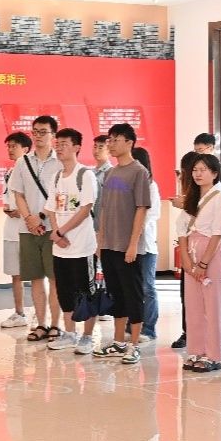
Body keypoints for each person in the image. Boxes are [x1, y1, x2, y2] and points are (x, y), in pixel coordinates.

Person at [93, 123, 152, 365]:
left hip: (128, 247)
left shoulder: (139, 172)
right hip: (109, 244)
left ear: (129, 143)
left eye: (116, 140)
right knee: (116, 294)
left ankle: (134, 345)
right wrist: (101, 241)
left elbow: (141, 209)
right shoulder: (110, 173)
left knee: (133, 295)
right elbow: (105, 209)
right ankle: (118, 342)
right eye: (110, 140)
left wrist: (133, 244)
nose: (111, 144)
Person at [8, 115, 62, 342]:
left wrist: (40, 218)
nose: (38, 136)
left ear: (53, 135)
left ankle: (56, 325)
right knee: (35, 278)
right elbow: (18, 194)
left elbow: (60, 196)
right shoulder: (23, 162)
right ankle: (41, 324)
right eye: (35, 132)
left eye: (43, 132)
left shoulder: (60, 161)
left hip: (52, 228)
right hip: (27, 229)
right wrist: (29, 218)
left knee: (55, 279)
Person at [45, 128, 99, 355]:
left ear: (77, 147)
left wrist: (61, 232)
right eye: (57, 144)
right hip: (60, 248)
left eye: (64, 144)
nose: (59, 148)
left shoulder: (85, 175)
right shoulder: (56, 177)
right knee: (64, 292)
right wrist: (57, 233)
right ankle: (69, 333)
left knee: (86, 292)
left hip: (82, 247)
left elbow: (85, 210)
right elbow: (51, 209)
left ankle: (87, 336)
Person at [179, 153, 221, 372]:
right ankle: (196, 350)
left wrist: (203, 264)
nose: (197, 174)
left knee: (212, 305)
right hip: (191, 253)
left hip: (211, 255)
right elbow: (181, 229)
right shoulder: (192, 195)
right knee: (193, 305)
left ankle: (214, 355)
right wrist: (186, 259)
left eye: (203, 170)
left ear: (214, 173)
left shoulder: (220, 197)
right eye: (195, 170)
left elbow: (218, 233)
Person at [0, 132, 32, 329]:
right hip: (11, 230)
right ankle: (19, 312)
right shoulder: (9, 172)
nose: (10, 149)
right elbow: (6, 198)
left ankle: (39, 314)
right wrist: (8, 209)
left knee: (36, 275)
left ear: (25, 149)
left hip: (29, 230)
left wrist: (22, 212)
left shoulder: (32, 172)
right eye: (9, 146)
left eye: (14, 146)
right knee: (15, 274)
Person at [171, 151, 203, 350]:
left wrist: (183, 204)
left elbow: (205, 217)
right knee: (187, 294)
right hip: (188, 250)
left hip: (203, 251)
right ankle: (189, 332)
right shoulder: (189, 192)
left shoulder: (209, 193)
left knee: (207, 296)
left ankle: (214, 334)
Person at [132, 146, 161, 342]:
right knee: (132, 287)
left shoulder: (151, 186)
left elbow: (152, 213)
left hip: (146, 245)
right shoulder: (126, 183)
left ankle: (149, 329)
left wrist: (133, 223)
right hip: (127, 244)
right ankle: (132, 324)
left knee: (147, 287)